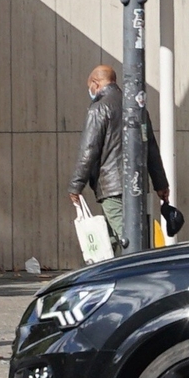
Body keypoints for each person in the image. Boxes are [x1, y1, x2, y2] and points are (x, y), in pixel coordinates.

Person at [69, 64, 167, 248]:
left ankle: (141, 273)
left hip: (111, 187)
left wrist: (76, 185)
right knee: (113, 238)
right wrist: (161, 184)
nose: (89, 91)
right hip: (137, 187)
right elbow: (151, 148)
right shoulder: (138, 109)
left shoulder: (98, 108)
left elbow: (89, 149)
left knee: (129, 240)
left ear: (95, 84)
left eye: (89, 87)